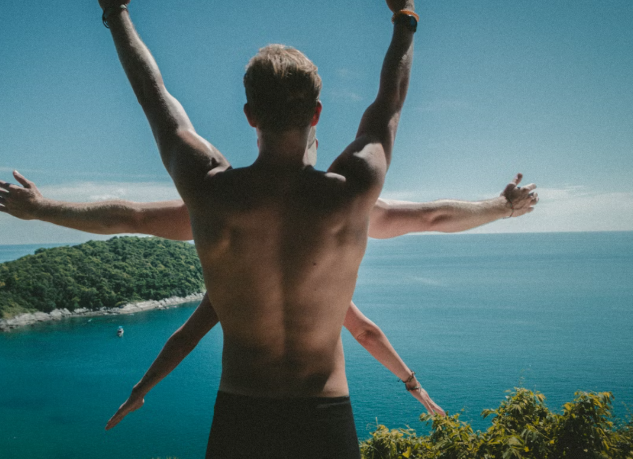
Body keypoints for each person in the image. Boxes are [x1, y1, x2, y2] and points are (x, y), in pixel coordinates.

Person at [78, 0, 528, 455]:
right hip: (324, 417)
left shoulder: (211, 191)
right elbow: (392, 106)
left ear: (250, 114)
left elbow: (153, 97)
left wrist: (116, 12)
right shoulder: (351, 191)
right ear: (315, 114)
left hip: (242, 414)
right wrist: (404, 18)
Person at [0, 169, 538, 424]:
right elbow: (372, 325)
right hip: (323, 412)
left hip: (243, 413)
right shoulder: (328, 265)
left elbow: (133, 226)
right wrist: (502, 206)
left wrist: (44, 208)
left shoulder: (232, 266)